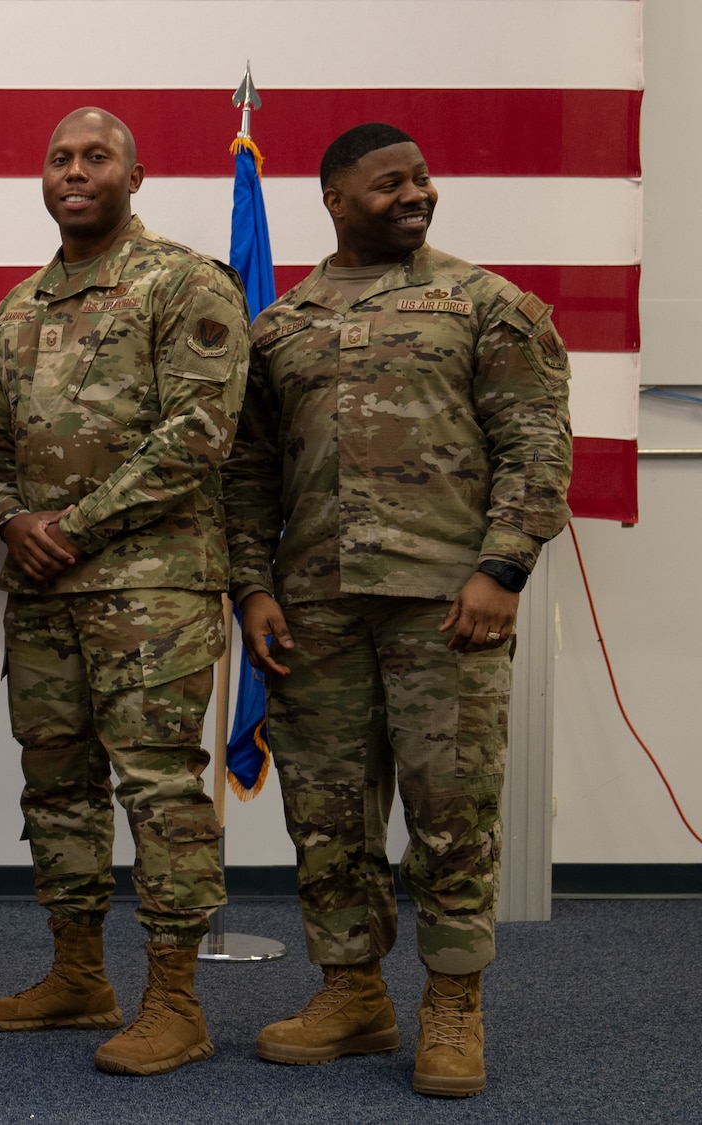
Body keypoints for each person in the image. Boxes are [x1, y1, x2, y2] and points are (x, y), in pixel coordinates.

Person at [222, 123, 572, 1098]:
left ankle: (452, 1006)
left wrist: (500, 570)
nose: (413, 193)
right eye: (387, 183)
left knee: (450, 812)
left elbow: (534, 440)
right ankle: (350, 993)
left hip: (443, 608)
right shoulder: (278, 326)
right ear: (332, 199)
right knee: (326, 814)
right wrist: (248, 587)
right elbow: (246, 474)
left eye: (419, 177)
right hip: (313, 613)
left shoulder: (483, 304)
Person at [0, 107, 249, 1077]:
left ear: (136, 175)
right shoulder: (17, 308)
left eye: (95, 157)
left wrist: (66, 528)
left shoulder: (184, 284)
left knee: (159, 789)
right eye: (58, 158)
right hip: (41, 592)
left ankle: (175, 1001)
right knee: (55, 787)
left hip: (150, 588)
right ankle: (76, 974)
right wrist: (9, 520)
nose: (74, 171)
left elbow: (197, 440)